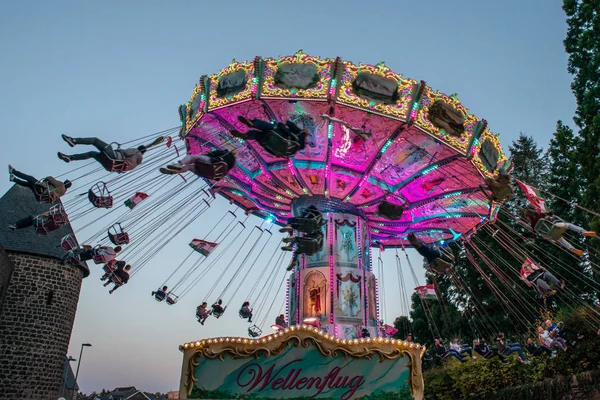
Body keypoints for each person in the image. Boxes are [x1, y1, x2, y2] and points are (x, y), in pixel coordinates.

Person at [58, 135, 163, 173]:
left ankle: (74, 141)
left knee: (95, 141)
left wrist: (119, 150)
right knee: (92, 153)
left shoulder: (136, 151)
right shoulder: (136, 164)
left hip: (114, 158)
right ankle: (70, 158)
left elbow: (125, 152)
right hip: (111, 166)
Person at [523, 207, 595, 257]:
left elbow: (534, 234)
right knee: (569, 226)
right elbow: (551, 213)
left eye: (527, 218)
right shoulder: (540, 215)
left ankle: (572, 249)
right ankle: (583, 232)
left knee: (561, 240)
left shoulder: (532, 225)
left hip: (550, 236)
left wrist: (533, 240)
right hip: (555, 226)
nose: (527, 219)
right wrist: (546, 212)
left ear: (529, 216)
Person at [232, 116, 308, 157]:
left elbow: (290, 124)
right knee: (256, 135)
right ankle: (246, 136)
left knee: (263, 125)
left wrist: (289, 122)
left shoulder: (301, 134)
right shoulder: (299, 147)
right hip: (270, 143)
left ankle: (253, 123)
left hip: (277, 133)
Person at [160, 149, 236, 180]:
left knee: (192, 157)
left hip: (214, 162)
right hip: (212, 175)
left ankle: (179, 164)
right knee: (190, 167)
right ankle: (175, 171)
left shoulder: (225, 153)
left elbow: (212, 153)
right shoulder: (231, 163)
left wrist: (206, 154)